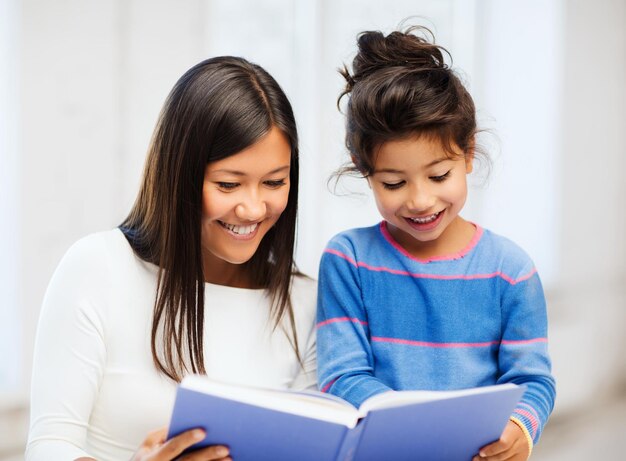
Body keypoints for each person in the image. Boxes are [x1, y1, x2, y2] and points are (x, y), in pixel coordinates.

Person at [26, 56, 317, 461]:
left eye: (274, 182)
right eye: (228, 184)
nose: (253, 209)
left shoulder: (303, 301)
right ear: (178, 173)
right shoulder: (98, 267)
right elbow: (49, 446)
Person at [316, 27, 556, 461]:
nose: (420, 200)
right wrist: (420, 428)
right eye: (393, 182)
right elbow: (341, 376)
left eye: (439, 175)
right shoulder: (348, 260)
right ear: (362, 169)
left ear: (468, 153)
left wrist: (519, 429)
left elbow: (533, 382)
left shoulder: (510, 269)